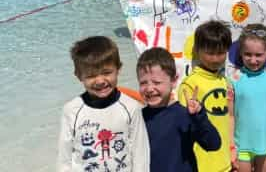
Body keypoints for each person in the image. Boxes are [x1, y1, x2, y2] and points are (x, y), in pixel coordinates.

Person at [56, 36, 150, 172]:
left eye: (106, 72)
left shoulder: (131, 108)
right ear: (78, 75)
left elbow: (140, 154)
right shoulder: (71, 110)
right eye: (91, 75)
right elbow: (64, 159)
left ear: (118, 69)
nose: (100, 80)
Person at [138, 47, 221, 172]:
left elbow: (213, 144)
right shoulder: (139, 117)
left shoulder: (185, 116)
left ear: (174, 81)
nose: (149, 88)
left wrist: (199, 116)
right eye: (143, 83)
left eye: (156, 82)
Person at [227, 24, 266, 172]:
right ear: (241, 52)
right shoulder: (234, 79)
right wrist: (231, 147)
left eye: (258, 55)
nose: (253, 60)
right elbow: (230, 116)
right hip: (241, 147)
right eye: (248, 54)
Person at [178, 20, 233, 172]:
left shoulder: (224, 81)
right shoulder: (190, 85)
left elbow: (229, 119)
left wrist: (232, 150)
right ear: (197, 50)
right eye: (210, 53)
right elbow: (185, 127)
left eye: (221, 53)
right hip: (201, 164)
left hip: (225, 161)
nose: (215, 59)